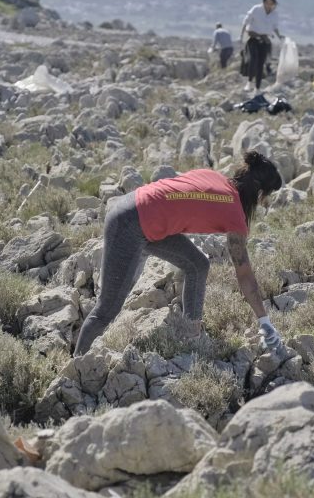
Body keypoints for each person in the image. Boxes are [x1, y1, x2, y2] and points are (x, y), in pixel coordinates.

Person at [72, 151, 286, 357]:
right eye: (267, 197)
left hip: (134, 208)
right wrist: (265, 322)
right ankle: (75, 367)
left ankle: (191, 334)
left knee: (197, 264)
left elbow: (176, 195)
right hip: (129, 224)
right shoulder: (234, 215)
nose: (264, 203)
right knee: (106, 310)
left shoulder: (215, 177)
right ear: (259, 193)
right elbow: (245, 277)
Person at [241, 0, 283, 93]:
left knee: (261, 64)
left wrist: (279, 36)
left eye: (271, 3)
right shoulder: (256, 9)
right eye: (267, 2)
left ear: (274, 4)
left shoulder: (274, 15)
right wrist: (242, 35)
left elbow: (274, 27)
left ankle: (257, 88)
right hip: (253, 38)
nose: (268, 5)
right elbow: (246, 21)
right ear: (263, 1)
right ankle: (249, 82)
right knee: (252, 60)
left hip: (265, 41)